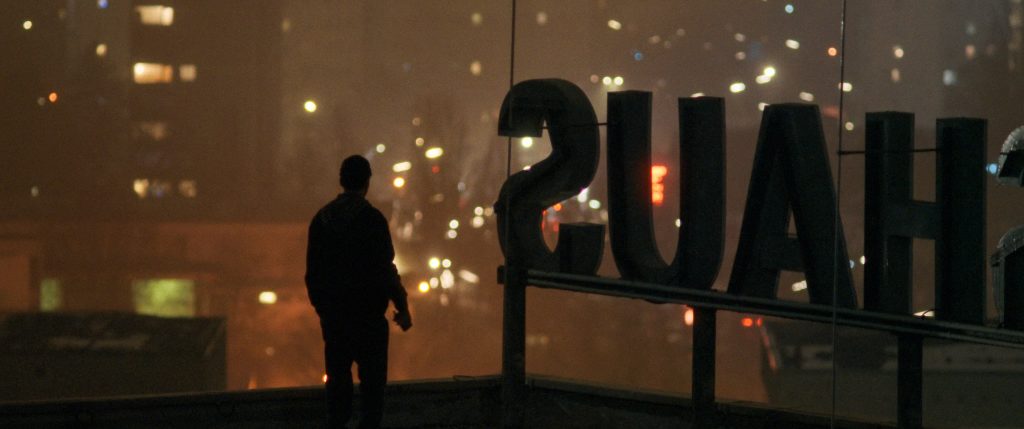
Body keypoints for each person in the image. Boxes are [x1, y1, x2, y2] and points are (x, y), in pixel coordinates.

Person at [305, 155, 412, 429]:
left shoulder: (321, 220)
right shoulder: (372, 220)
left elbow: (313, 276)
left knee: (337, 397)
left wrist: (325, 311)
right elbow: (386, 271)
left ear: (341, 180)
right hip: (369, 322)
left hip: (336, 322)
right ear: (367, 182)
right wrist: (402, 306)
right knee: (372, 400)